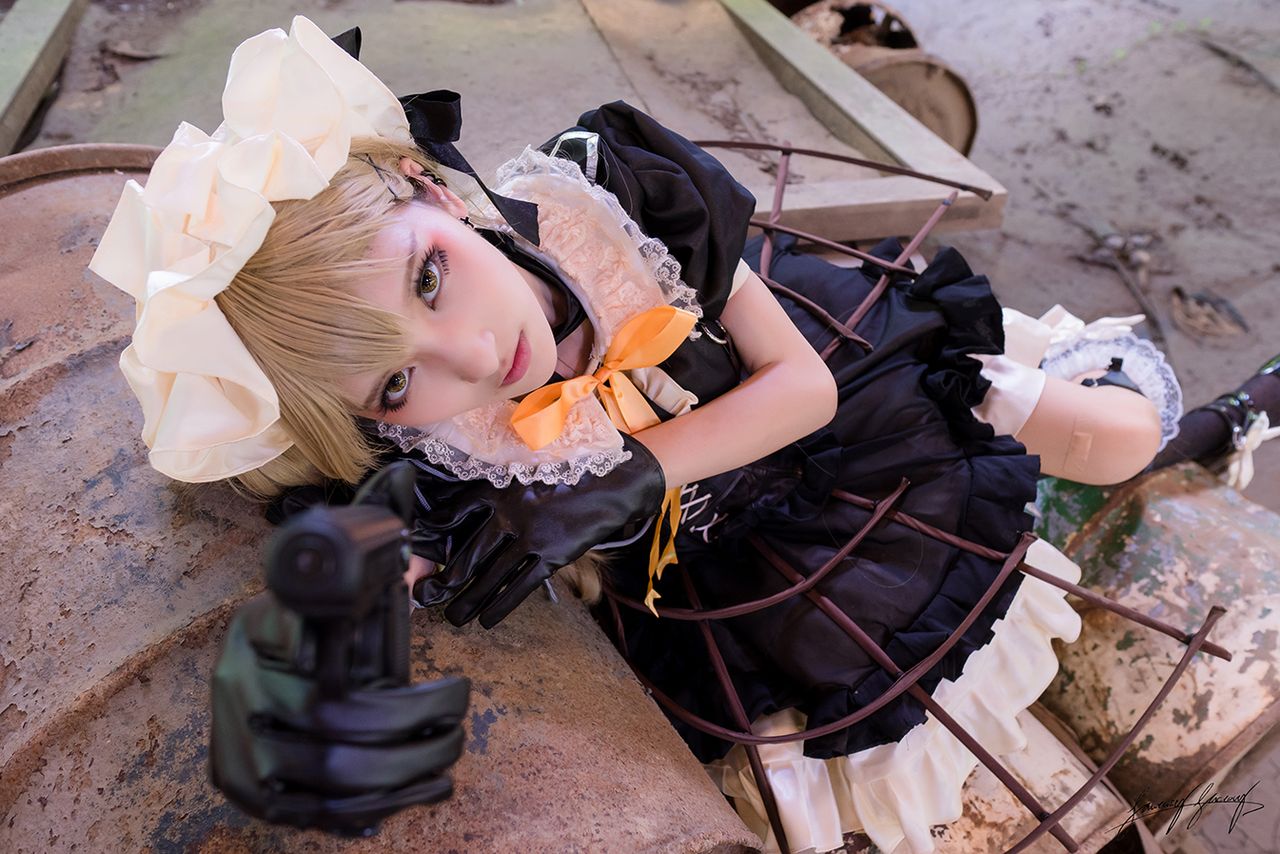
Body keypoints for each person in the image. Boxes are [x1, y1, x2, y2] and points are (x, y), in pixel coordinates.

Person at [90, 16, 1205, 854]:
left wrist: (614, 482)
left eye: (430, 276)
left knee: (1109, 440)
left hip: (844, 403)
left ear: (429, 184)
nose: (472, 355)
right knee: (819, 765)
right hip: (718, 544)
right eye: (394, 381)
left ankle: (1216, 416)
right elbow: (363, 549)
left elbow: (802, 391)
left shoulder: (612, 195)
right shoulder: (439, 446)